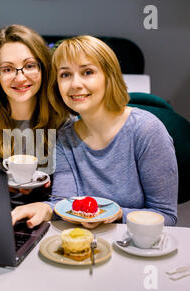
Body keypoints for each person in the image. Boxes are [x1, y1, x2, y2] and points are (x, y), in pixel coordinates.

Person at [12, 35, 178, 228]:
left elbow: (166, 216)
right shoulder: (64, 137)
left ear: (109, 77)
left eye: (87, 72)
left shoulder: (146, 129)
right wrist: (44, 208)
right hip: (84, 244)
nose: (75, 84)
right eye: (65, 75)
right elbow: (63, 203)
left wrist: (116, 214)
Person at [0, 25, 66, 208]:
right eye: (8, 69)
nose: (20, 78)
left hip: (52, 218)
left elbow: (66, 193)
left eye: (30, 66)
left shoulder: (63, 121)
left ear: (44, 69)